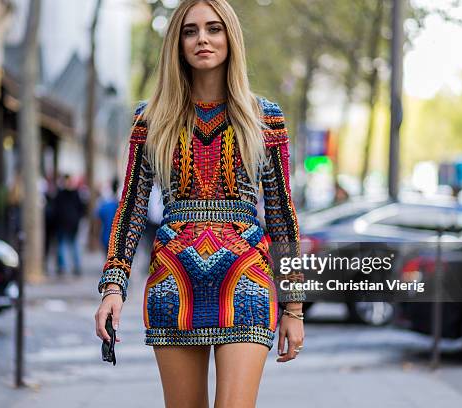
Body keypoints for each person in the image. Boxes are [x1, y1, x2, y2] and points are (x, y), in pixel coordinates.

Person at [94, 1, 305, 406]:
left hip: (246, 283)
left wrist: (293, 307)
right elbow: (131, 207)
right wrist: (112, 287)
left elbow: (282, 215)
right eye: (190, 31)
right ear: (177, 42)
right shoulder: (151, 118)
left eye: (213, 29)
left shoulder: (265, 118)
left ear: (230, 38)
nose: (202, 39)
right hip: (174, 284)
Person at [54, 174, 85, 277]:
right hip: (71, 223)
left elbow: (56, 209)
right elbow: (81, 208)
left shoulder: (61, 194)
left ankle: (64, 267)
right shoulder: (75, 193)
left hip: (64, 223)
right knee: (72, 245)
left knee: (64, 245)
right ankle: (75, 266)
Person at [96, 178, 120, 251]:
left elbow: (98, 222)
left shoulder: (104, 205)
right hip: (116, 237)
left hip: (107, 237)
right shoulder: (118, 205)